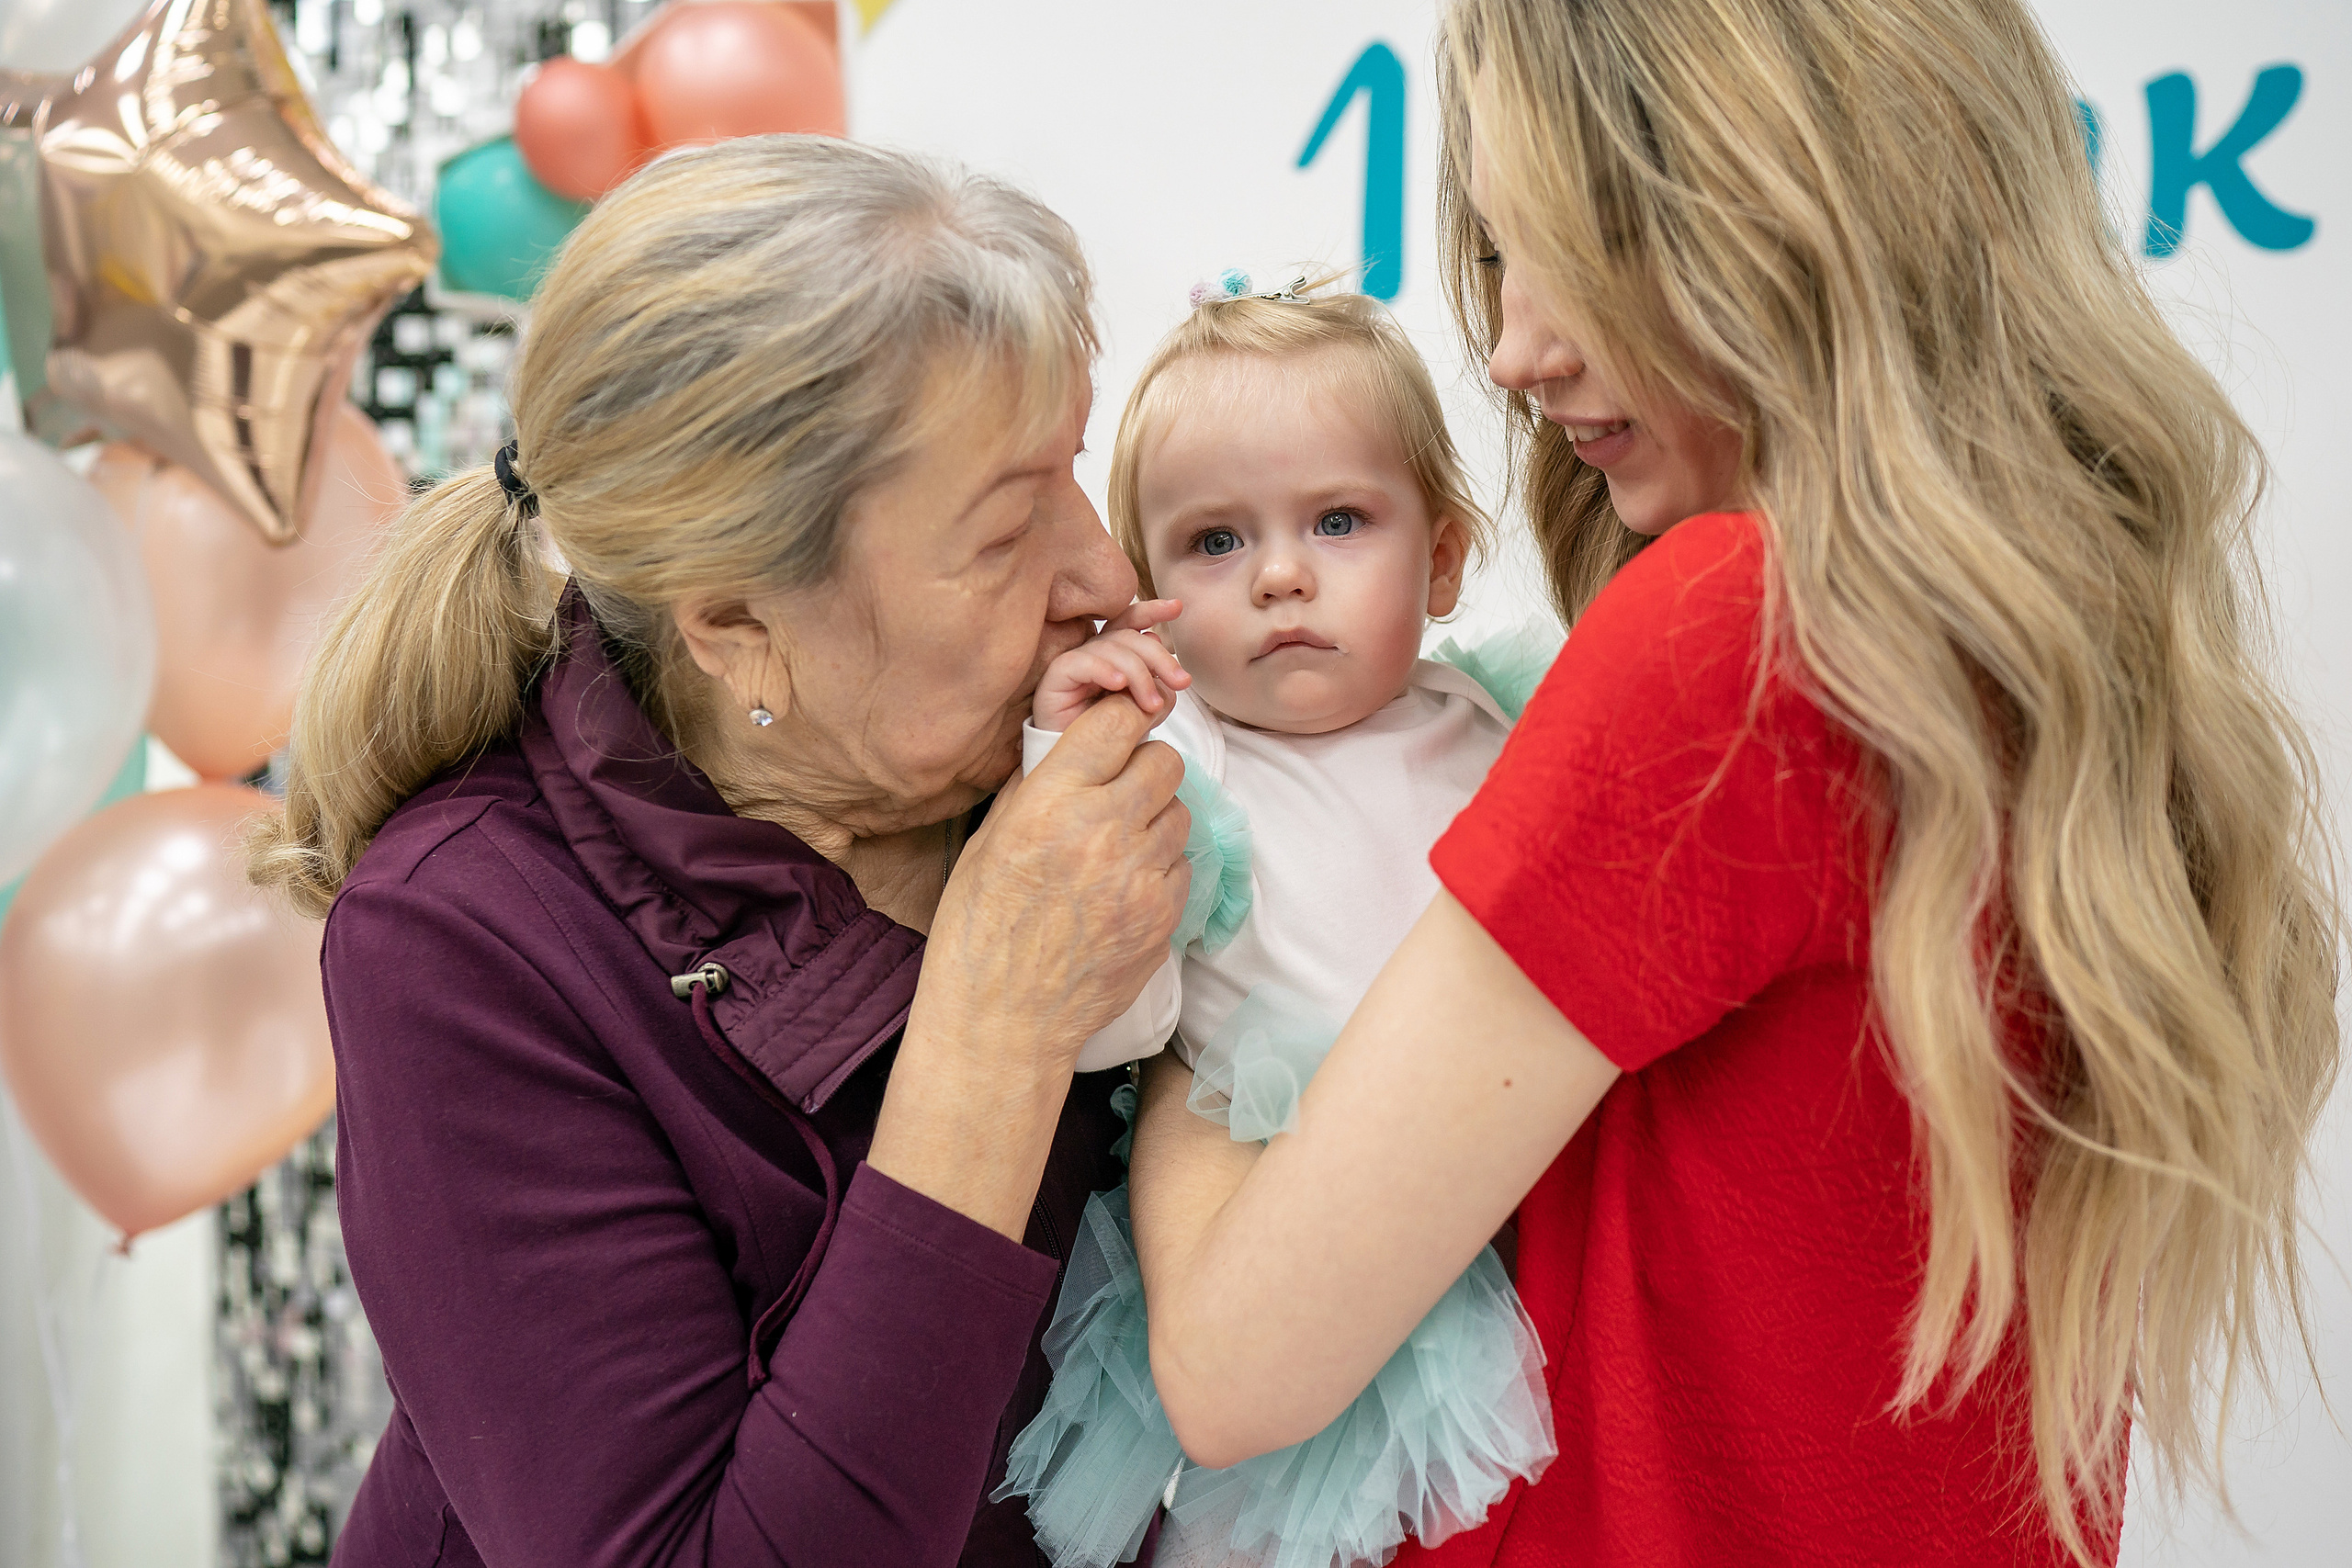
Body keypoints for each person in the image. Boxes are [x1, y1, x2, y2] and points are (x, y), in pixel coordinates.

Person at [1125, 3, 2345, 1565]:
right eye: (1500, 257)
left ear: (1780, 213)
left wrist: (1194, 1035)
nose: (1513, 349)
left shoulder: (1734, 633)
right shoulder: (2051, 640)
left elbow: (1235, 1370)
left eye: (1577, 241)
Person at [246, 136, 1194, 1567]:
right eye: (1005, 535)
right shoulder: (458, 936)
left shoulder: (1037, 777)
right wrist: (994, 1029)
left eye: (1072, 467)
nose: (1104, 575)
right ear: (738, 624)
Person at [995, 284, 1558, 1568]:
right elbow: (1107, 1029)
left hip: (1502, 1235)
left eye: (1341, 521)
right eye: (1213, 544)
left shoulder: (1501, 725)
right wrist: (1059, 757)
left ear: (1450, 555)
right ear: (1145, 593)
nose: (1283, 573)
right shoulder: (1184, 769)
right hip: (1283, 1249)